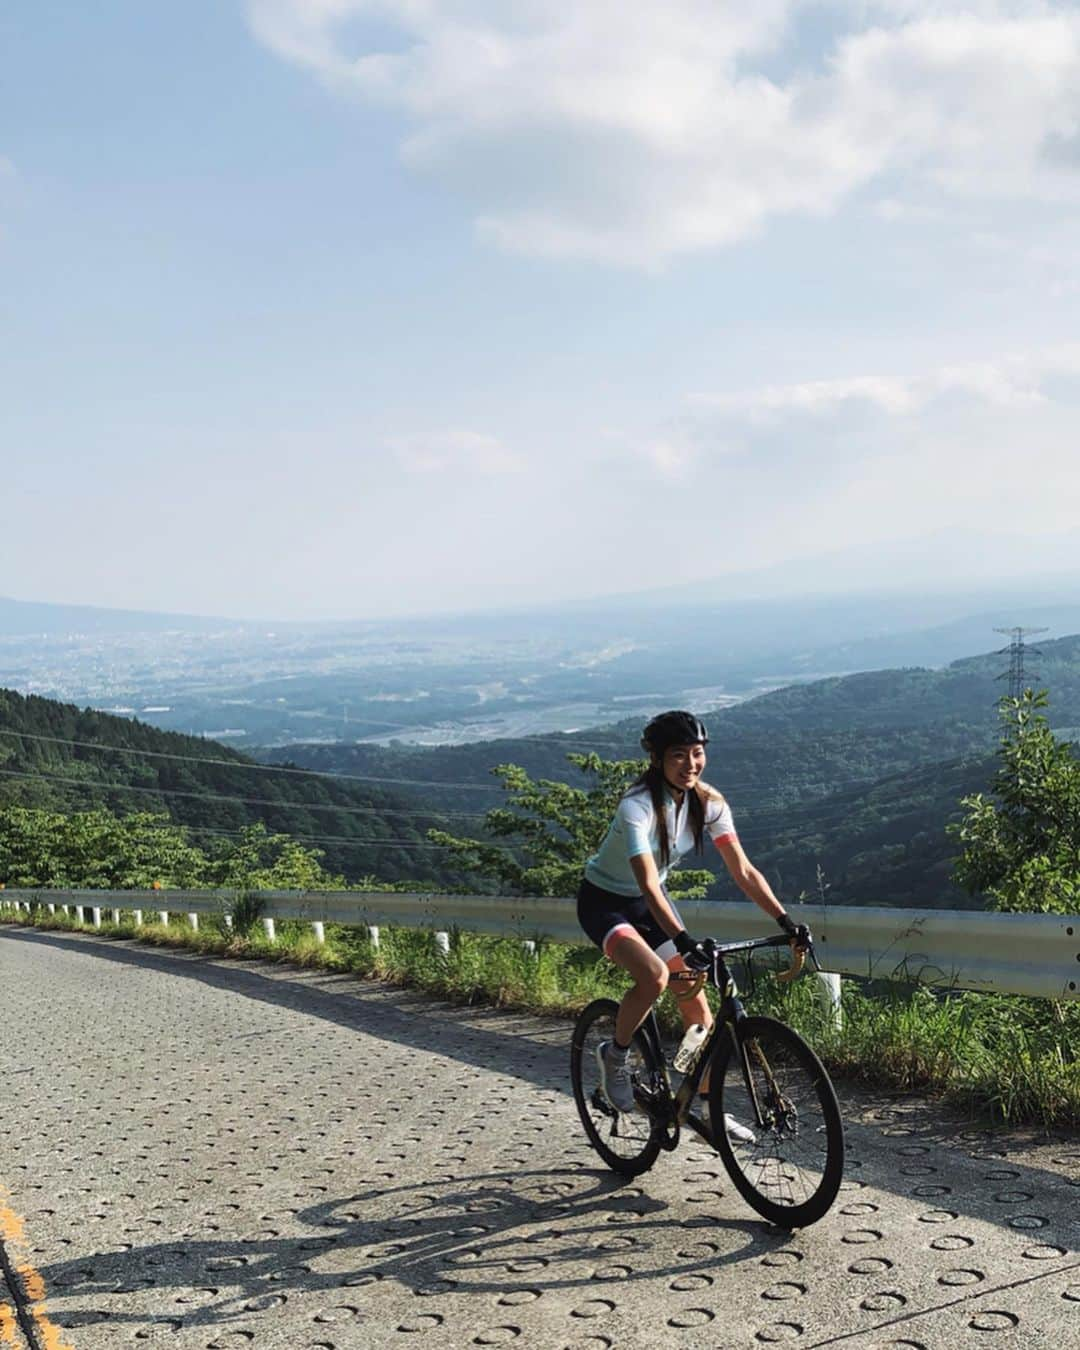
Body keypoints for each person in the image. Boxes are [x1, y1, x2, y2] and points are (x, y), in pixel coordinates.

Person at [576, 709, 808, 1126]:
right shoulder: (637, 806)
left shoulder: (709, 804)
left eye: (697, 753)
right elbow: (647, 881)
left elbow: (744, 871)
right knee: (654, 976)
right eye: (678, 755)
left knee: (699, 1012)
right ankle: (615, 1054)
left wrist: (784, 921)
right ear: (658, 759)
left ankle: (700, 1104)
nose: (690, 764)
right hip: (605, 902)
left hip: (651, 906)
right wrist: (683, 940)